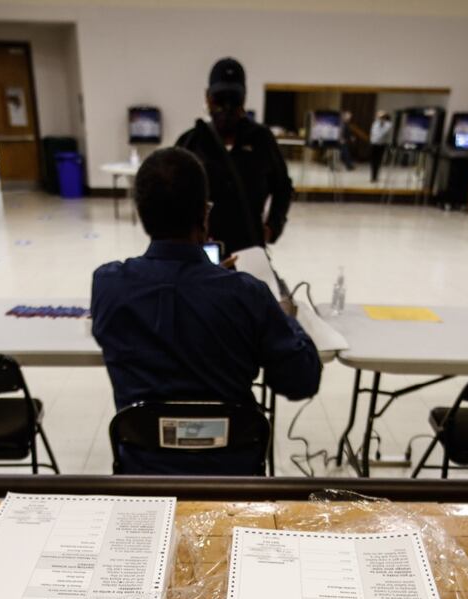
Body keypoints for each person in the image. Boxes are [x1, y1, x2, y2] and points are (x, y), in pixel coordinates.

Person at [90, 148, 320, 474]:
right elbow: (302, 381)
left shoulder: (108, 285)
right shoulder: (247, 294)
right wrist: (285, 317)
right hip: (231, 479)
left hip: (143, 478)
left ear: (141, 214)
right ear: (205, 213)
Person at [175, 58, 293, 256]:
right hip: (201, 254)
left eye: (234, 98)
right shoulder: (190, 143)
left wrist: (273, 226)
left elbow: (283, 187)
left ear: (244, 99)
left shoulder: (262, 140)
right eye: (219, 98)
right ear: (207, 97)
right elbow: (170, 197)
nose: (226, 107)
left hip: (249, 250)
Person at [369, 111, 394, 182]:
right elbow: (373, 133)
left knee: (378, 161)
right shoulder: (375, 123)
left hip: (381, 145)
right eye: (378, 116)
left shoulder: (388, 125)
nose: (379, 118)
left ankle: (375, 176)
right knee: (373, 162)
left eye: (381, 117)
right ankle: (373, 176)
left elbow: (382, 134)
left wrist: (381, 123)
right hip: (373, 144)